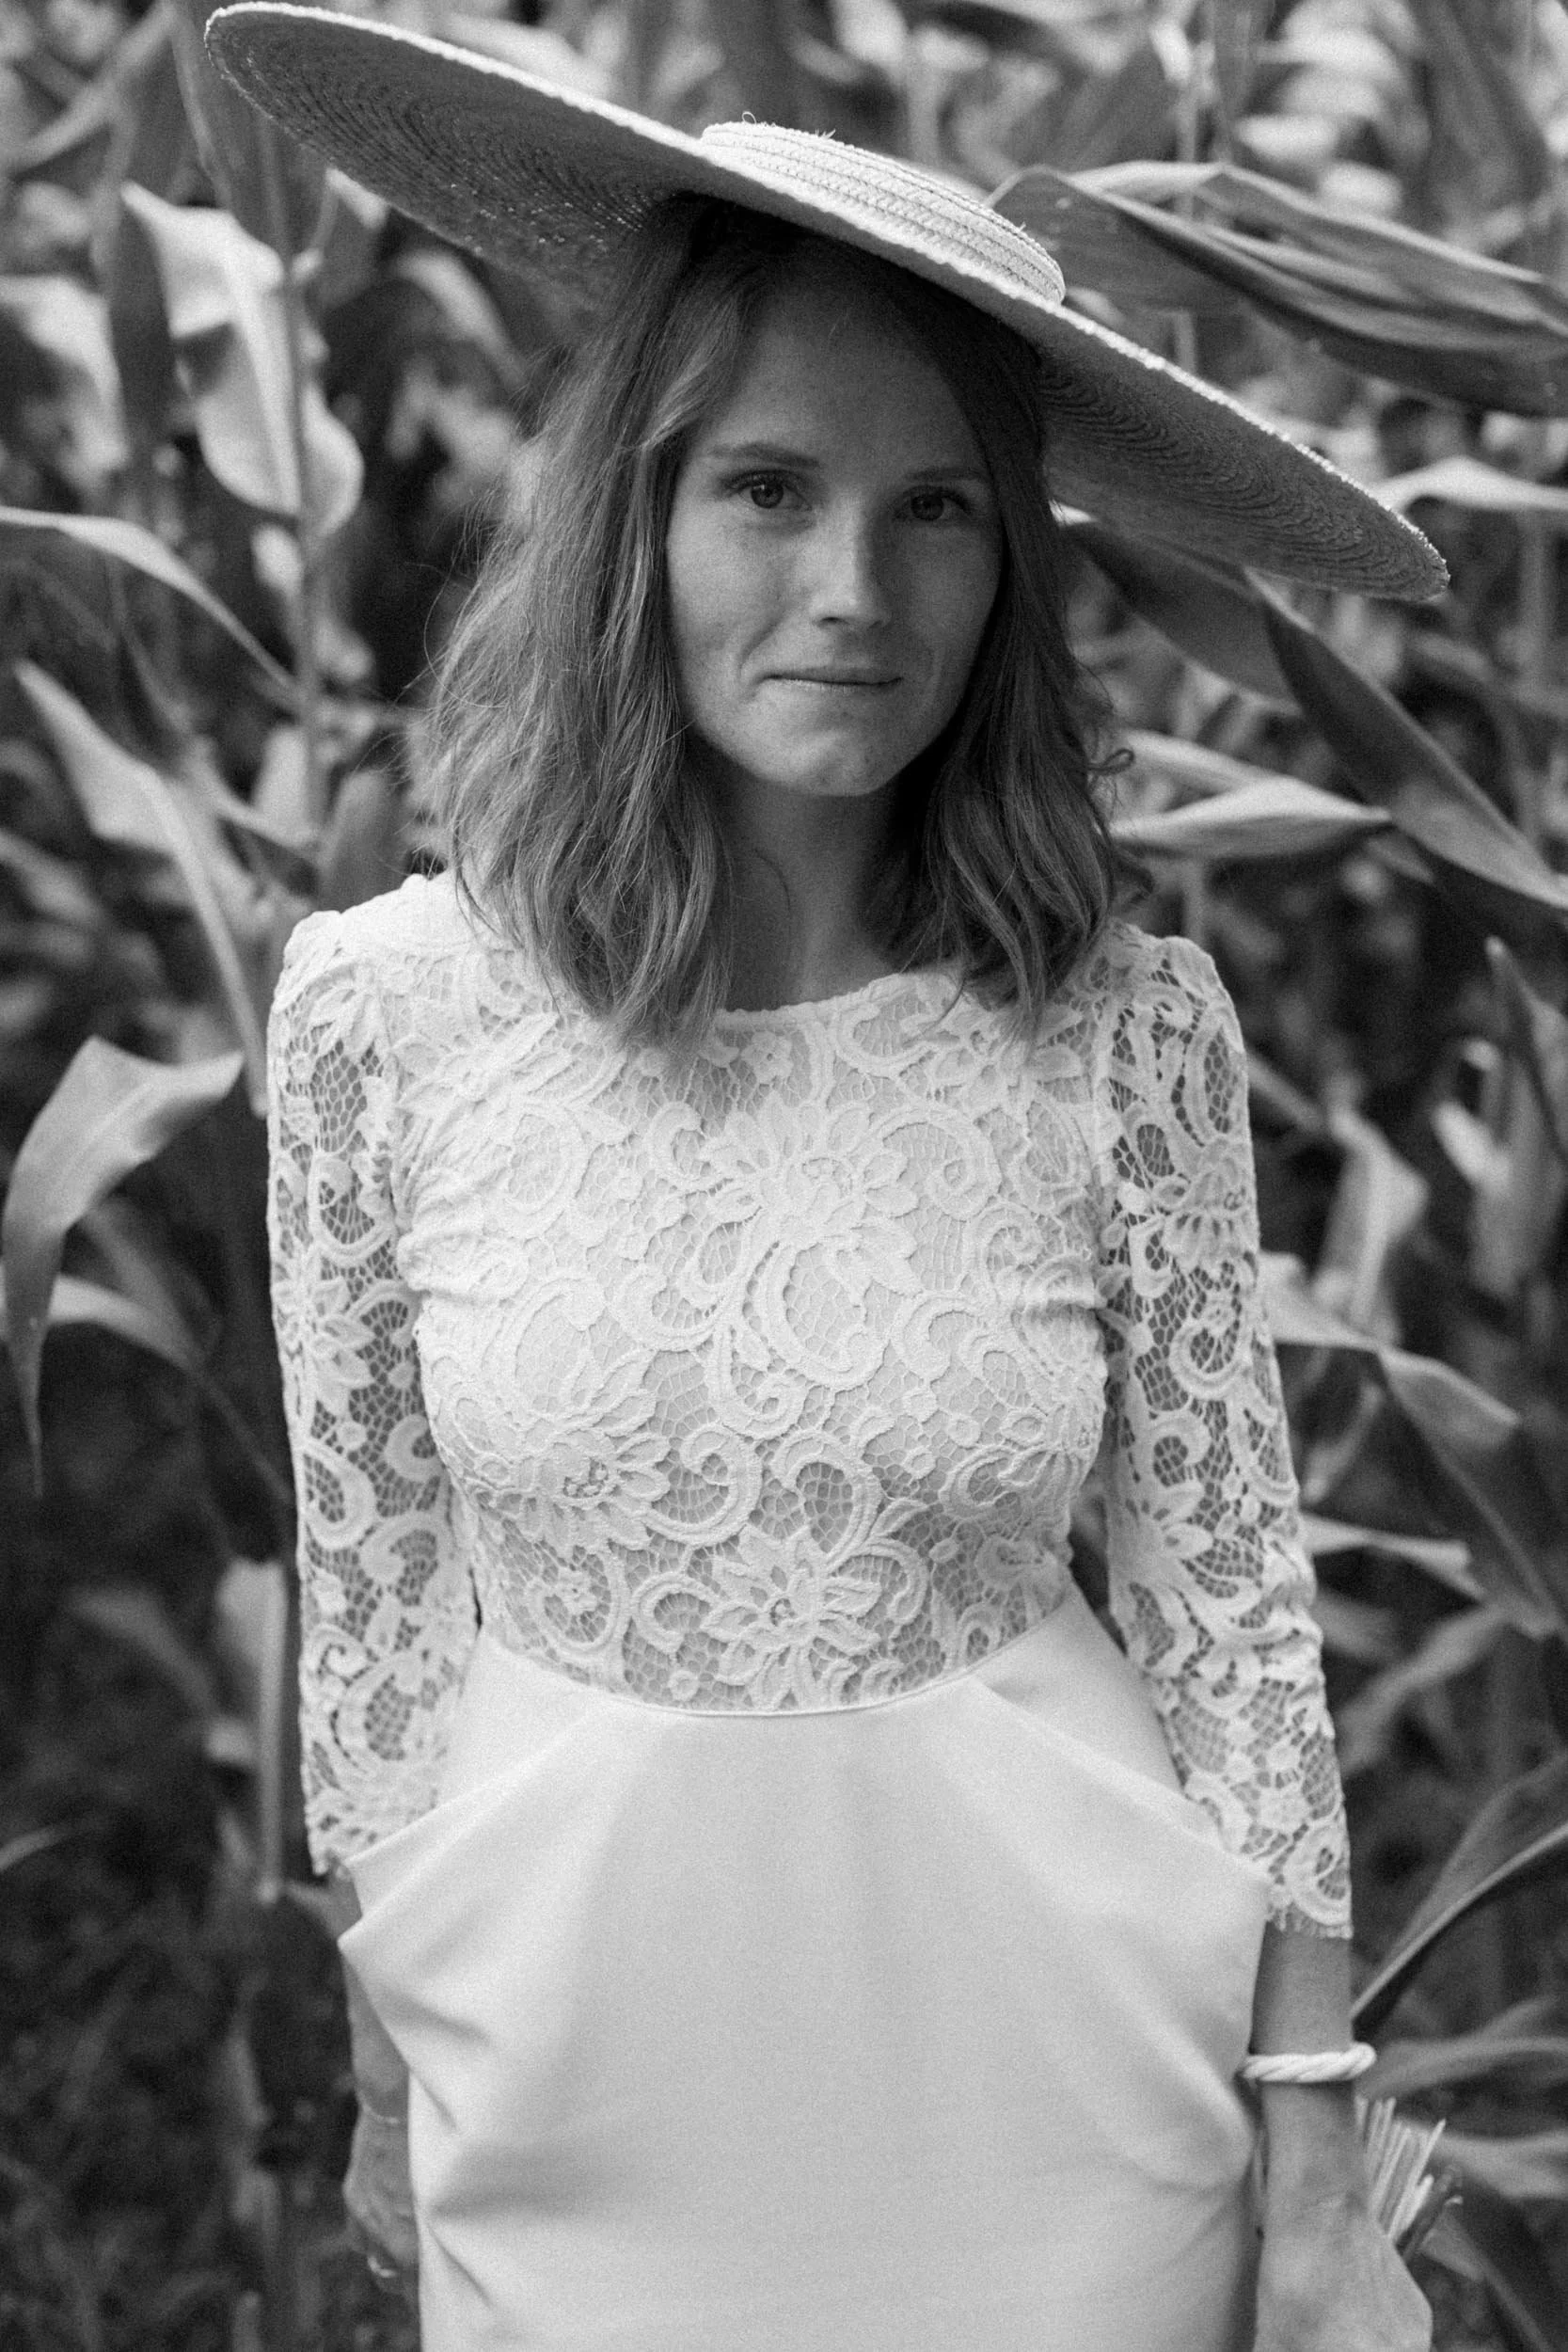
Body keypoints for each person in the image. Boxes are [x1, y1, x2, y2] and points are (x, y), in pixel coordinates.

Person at [214, 8, 1442, 2346]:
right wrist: (394, 2059)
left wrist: (1305, 2157)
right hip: (573, 2104)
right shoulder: (381, 1014)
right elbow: (371, 1609)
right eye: (767, 489)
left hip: (1073, 2122)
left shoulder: (1119, 1026)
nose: (854, 588)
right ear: (633, 516)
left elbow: (1230, 1611)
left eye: (935, 506)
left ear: (1008, 570)